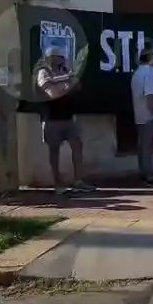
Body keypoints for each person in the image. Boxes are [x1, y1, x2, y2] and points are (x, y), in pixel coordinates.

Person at [34, 46, 96, 195]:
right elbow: (52, 93)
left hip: (68, 117)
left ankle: (78, 181)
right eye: (59, 58)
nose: (62, 60)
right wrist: (66, 85)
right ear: (51, 58)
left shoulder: (65, 71)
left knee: (77, 145)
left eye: (62, 58)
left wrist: (66, 82)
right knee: (54, 151)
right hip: (51, 118)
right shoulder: (43, 72)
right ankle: (58, 183)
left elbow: (77, 85)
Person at [130, 48, 153, 187]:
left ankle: (143, 172)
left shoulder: (137, 73)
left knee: (143, 146)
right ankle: (149, 176)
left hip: (140, 115)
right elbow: (150, 97)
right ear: (150, 58)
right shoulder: (149, 74)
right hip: (149, 116)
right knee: (147, 147)